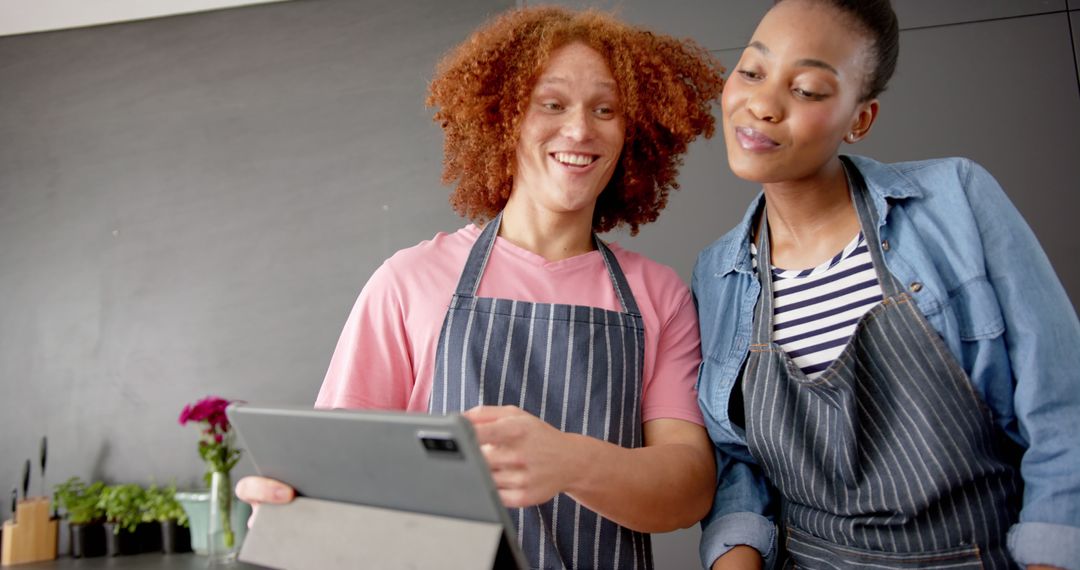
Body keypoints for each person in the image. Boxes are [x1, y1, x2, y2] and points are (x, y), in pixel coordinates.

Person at [237, 6, 726, 569]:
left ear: (633, 131)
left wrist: (566, 461)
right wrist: (292, 509)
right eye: (552, 103)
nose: (580, 129)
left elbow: (689, 490)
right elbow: (335, 482)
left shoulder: (657, 294)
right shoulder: (410, 282)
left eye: (606, 109)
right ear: (504, 116)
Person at [693, 0, 1080, 568]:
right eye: (751, 71)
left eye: (806, 89)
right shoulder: (719, 272)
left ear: (860, 118)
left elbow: (1064, 410)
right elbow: (738, 465)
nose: (761, 104)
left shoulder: (956, 201)